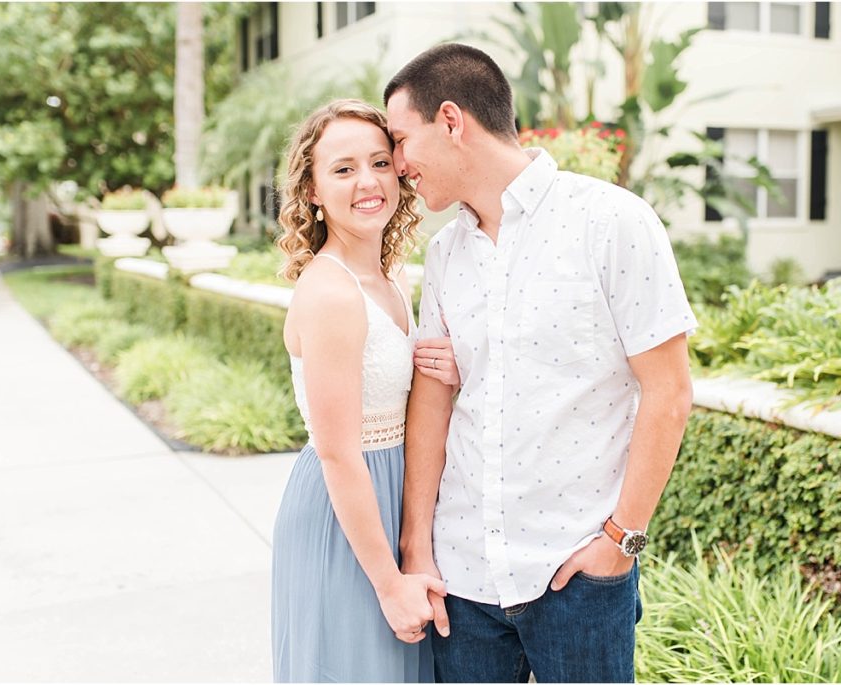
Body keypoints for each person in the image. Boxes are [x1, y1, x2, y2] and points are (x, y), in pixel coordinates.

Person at [384, 43, 698, 683]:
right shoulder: (446, 254)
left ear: (451, 121)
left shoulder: (613, 222)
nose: (396, 164)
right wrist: (419, 546)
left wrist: (622, 542)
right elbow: (436, 399)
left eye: (399, 139)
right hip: (463, 580)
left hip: (577, 576)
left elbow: (669, 393)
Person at [271, 99, 461, 683]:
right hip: (347, 514)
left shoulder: (391, 277)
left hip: (395, 494)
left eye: (380, 162)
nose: (368, 182)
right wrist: (389, 583)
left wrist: (445, 369)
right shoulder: (330, 292)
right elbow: (338, 451)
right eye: (344, 169)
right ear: (312, 191)